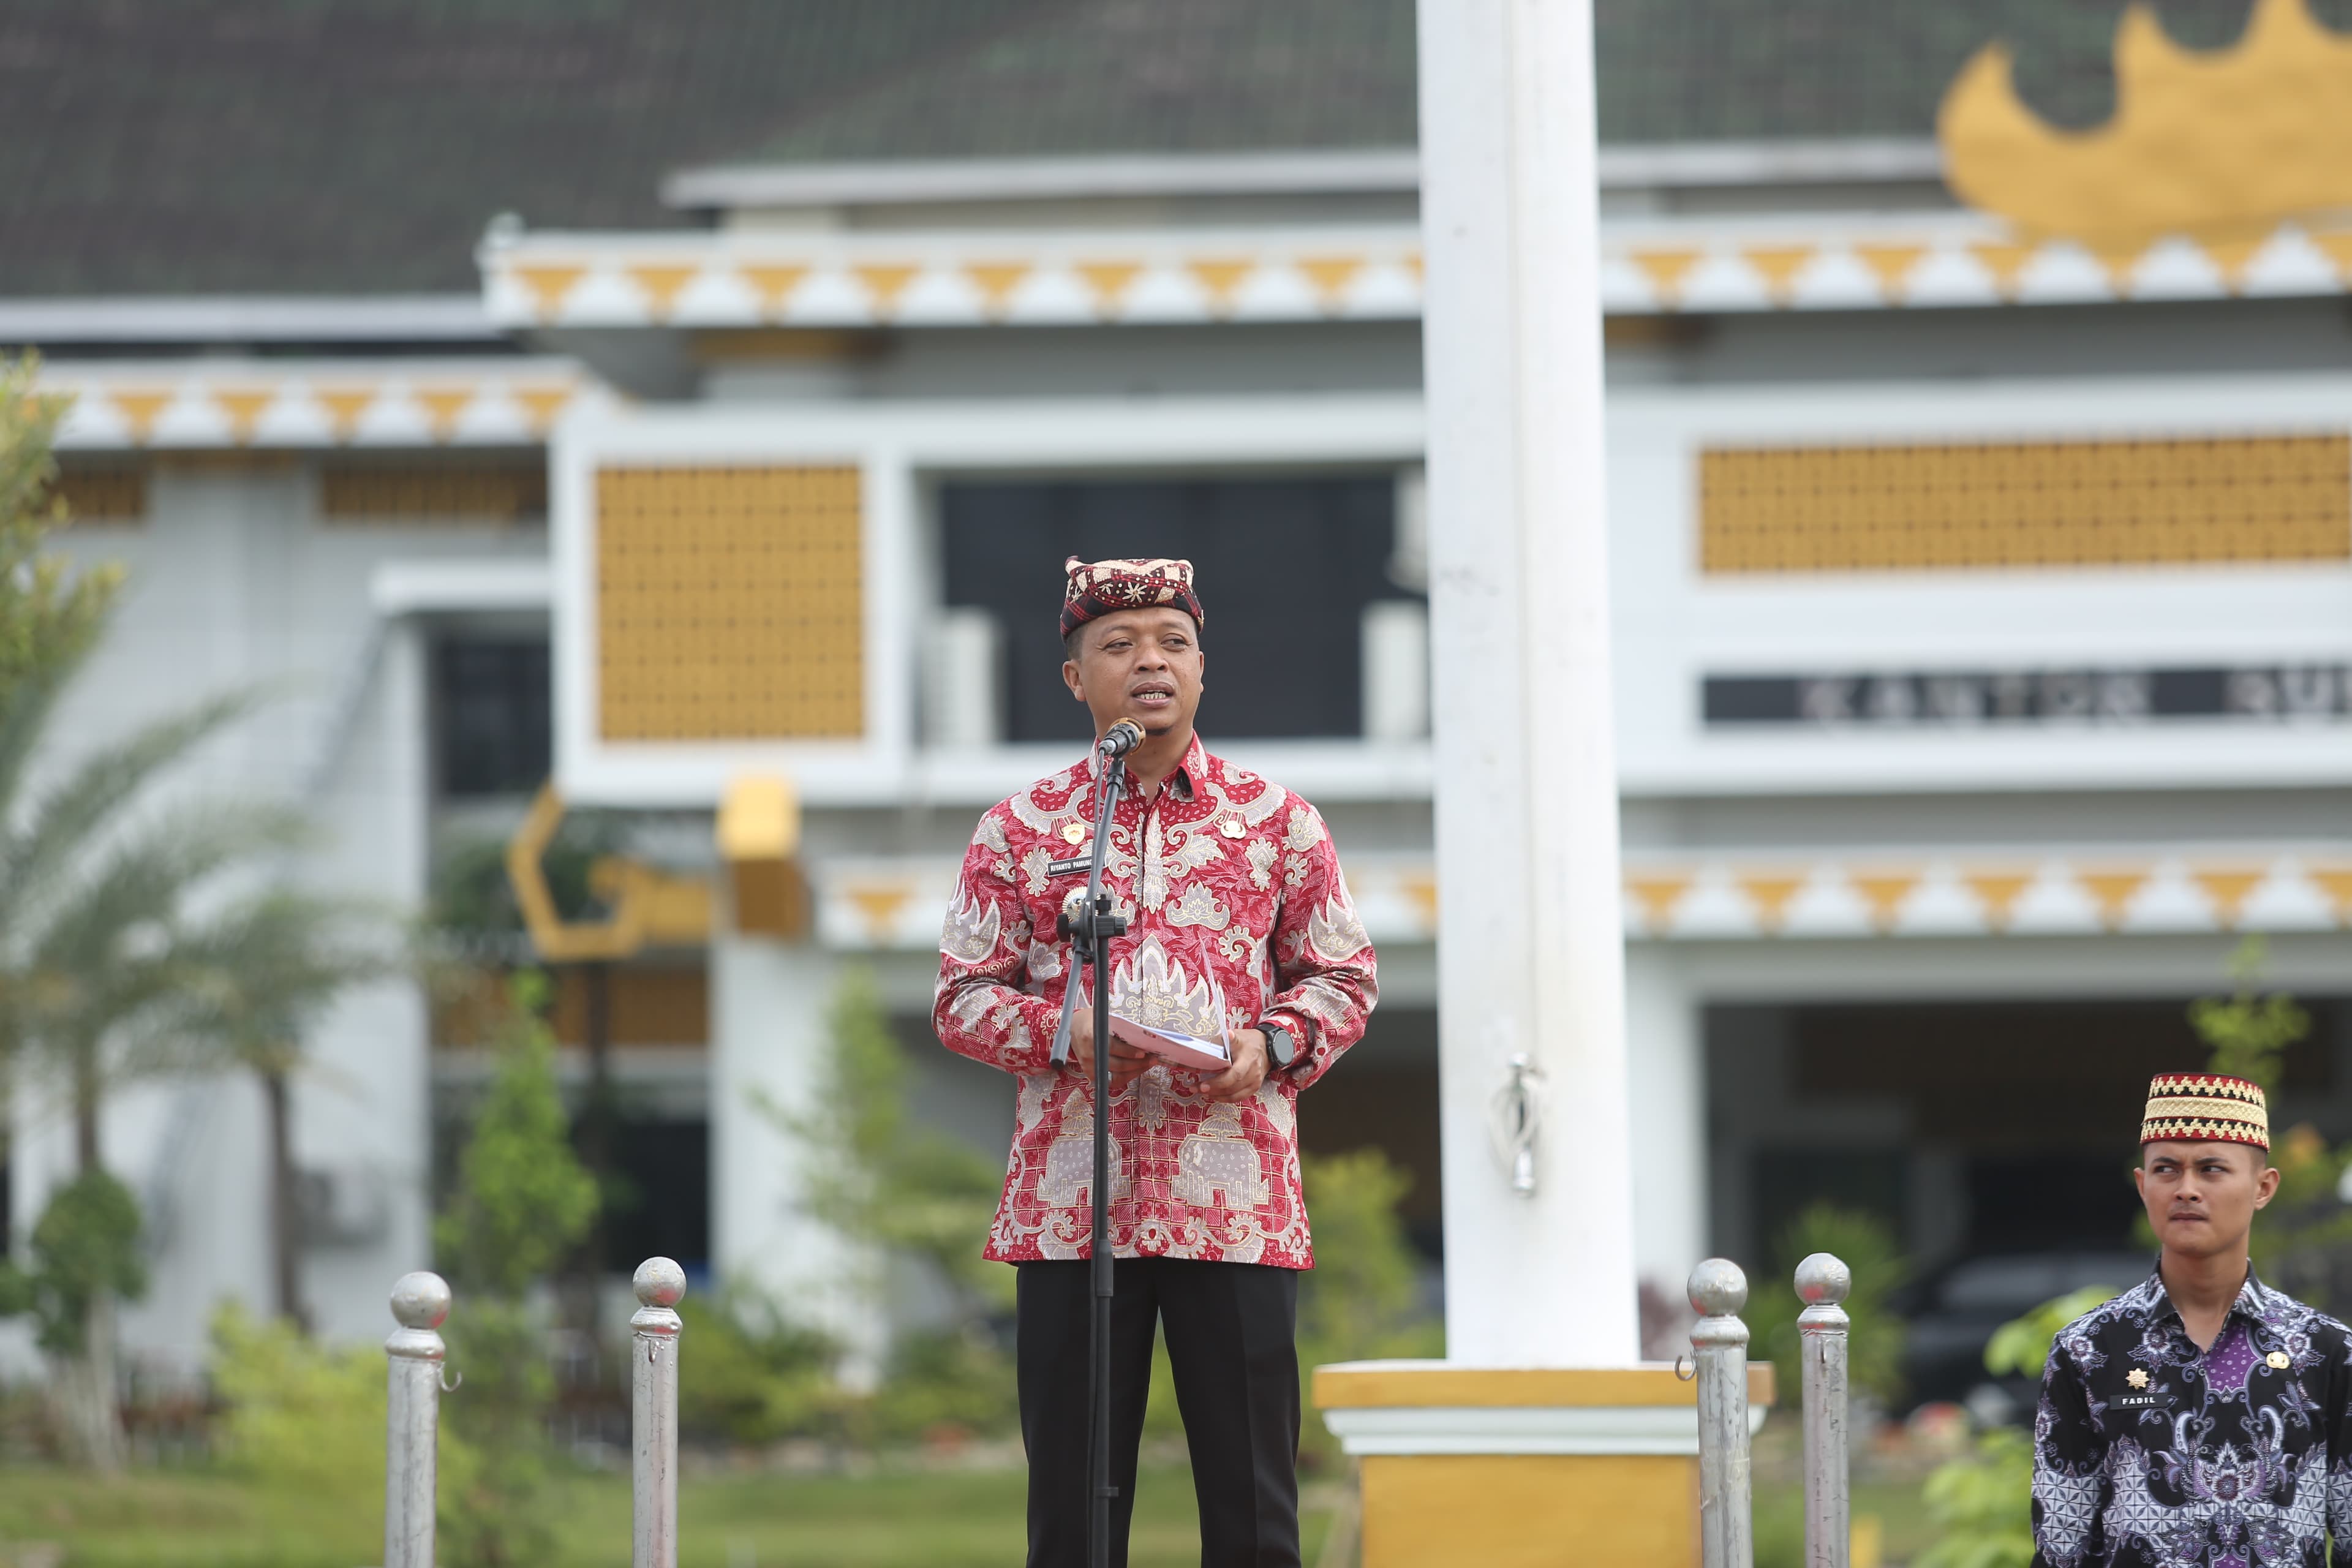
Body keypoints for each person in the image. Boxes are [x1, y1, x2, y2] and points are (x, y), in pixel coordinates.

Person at [933, 555, 1378, 1568]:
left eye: (1174, 643)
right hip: (1069, 1207)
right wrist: (1064, 1031)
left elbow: (1345, 977)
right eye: (1119, 645)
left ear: (1203, 670)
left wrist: (1268, 1046)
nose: (1151, 663)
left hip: (1236, 1204)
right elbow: (960, 996)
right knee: (1073, 1518)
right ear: (1074, 680)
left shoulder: (1279, 823)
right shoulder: (1020, 829)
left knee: (1255, 1506)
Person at [2030, 1072, 2352, 1567]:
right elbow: (2059, 1547)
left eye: (2211, 1169)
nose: (2186, 1190)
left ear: (2263, 1187)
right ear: (2143, 1186)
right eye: (2166, 1169)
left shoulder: (2327, 1351)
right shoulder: (2089, 1349)